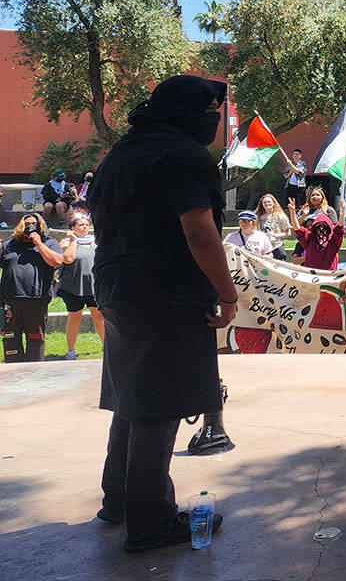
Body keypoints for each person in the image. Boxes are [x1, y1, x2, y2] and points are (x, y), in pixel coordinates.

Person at [89, 75, 235, 551]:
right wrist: (227, 293)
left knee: (131, 398)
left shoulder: (123, 153)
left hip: (116, 290)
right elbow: (199, 229)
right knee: (159, 404)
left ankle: (118, 501)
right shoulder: (183, 156)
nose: (215, 116)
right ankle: (149, 520)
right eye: (210, 107)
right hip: (164, 294)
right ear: (188, 111)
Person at [2, 213, 64, 362]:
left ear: (41, 226)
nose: (30, 226)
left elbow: (57, 261)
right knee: (10, 337)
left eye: (34, 224)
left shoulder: (49, 243)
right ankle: (13, 374)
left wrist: (39, 244)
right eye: (27, 223)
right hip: (9, 300)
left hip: (36, 299)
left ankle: (34, 372)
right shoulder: (10, 245)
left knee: (35, 338)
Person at [59, 213, 103, 359]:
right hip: (73, 287)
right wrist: (73, 240)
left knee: (98, 316)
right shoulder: (65, 242)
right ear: (72, 228)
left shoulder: (96, 241)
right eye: (80, 225)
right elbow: (68, 259)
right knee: (74, 317)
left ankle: (107, 346)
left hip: (94, 287)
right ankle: (71, 351)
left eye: (86, 224)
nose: (84, 227)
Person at [288, 199, 346, 271]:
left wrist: (343, 211)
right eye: (319, 225)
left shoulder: (333, 240)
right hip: (311, 276)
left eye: (324, 225)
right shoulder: (309, 239)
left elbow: (340, 228)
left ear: (329, 227)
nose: (321, 227)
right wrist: (292, 212)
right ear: (314, 227)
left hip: (329, 275)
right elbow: (297, 229)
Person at [255, 194, 291, 261]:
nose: (267, 204)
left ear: (274, 203)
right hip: (263, 248)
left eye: (269, 202)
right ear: (262, 204)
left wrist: (275, 235)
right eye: (264, 202)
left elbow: (288, 233)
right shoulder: (258, 217)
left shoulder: (281, 216)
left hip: (277, 247)